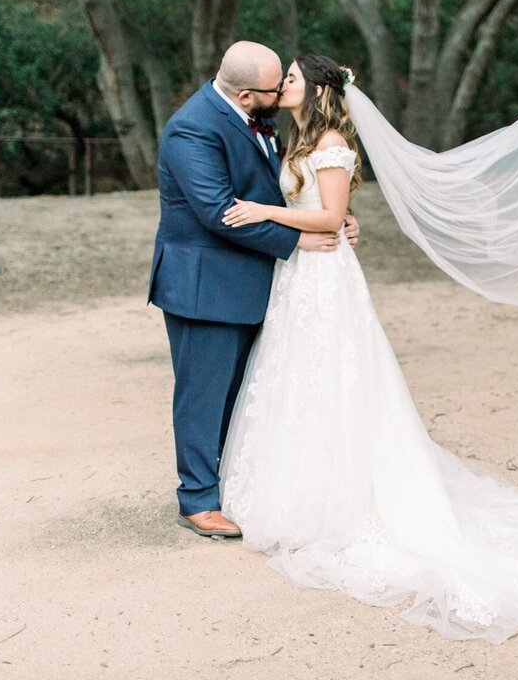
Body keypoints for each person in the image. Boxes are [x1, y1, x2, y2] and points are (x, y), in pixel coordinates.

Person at [217, 54, 518, 644]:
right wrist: (337, 221)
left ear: (321, 90)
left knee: (335, 378)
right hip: (302, 275)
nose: (285, 86)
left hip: (325, 280)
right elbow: (334, 215)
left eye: (295, 78)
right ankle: (296, 490)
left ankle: (338, 501)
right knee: (299, 379)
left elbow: (326, 213)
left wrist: (267, 211)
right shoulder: (300, 139)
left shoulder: (330, 141)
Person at [147, 42, 360, 538]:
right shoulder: (191, 129)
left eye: (288, 80)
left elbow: (284, 189)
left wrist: (337, 217)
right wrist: (300, 238)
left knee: (239, 392)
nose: (284, 88)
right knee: (203, 393)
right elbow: (221, 212)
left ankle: (228, 484)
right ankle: (197, 500)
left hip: (254, 280)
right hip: (205, 285)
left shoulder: (268, 122)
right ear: (246, 95)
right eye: (275, 86)